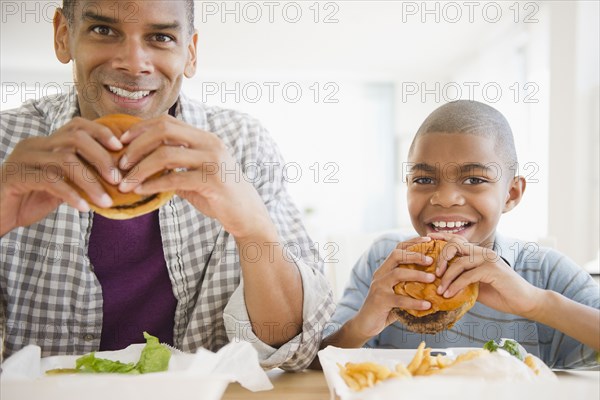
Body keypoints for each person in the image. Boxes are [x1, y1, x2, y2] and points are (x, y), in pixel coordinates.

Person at [0, 0, 333, 370]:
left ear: (189, 54)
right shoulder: (7, 142)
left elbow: (293, 351)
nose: (134, 62)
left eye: (160, 37)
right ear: (63, 36)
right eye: (103, 30)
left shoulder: (242, 145)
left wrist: (253, 229)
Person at [315, 100, 599, 369]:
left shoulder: (544, 271)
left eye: (474, 180)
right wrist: (362, 325)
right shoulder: (385, 260)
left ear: (511, 194)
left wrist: (537, 303)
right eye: (424, 180)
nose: (445, 198)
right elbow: (315, 363)